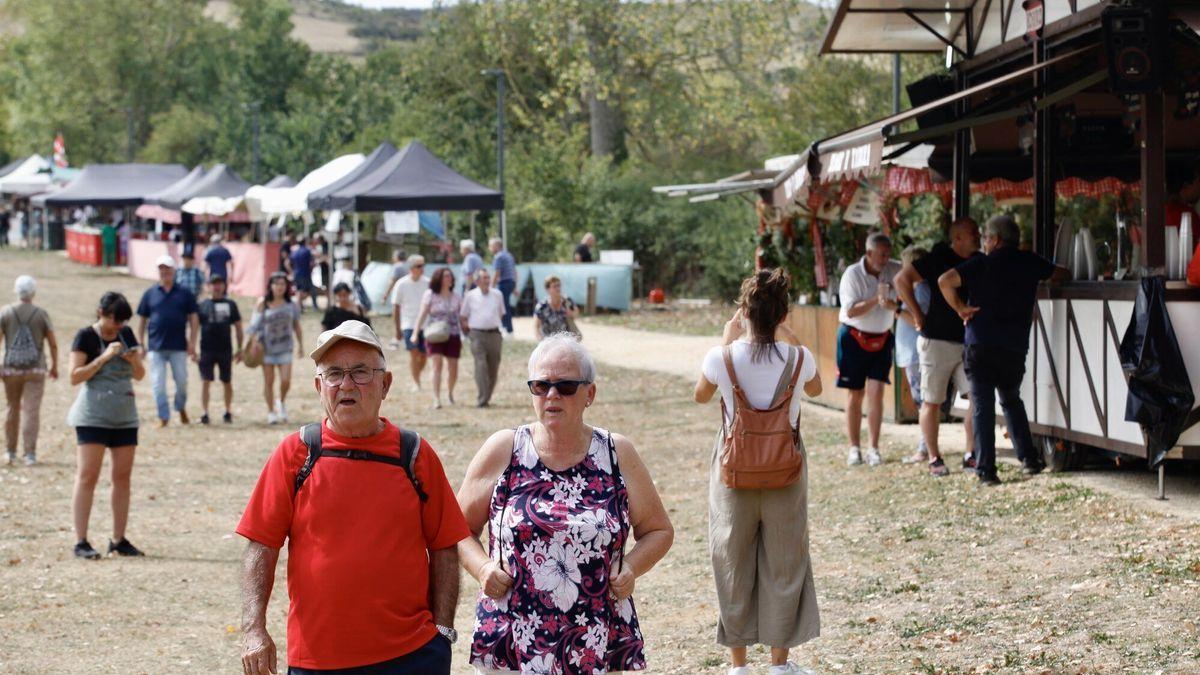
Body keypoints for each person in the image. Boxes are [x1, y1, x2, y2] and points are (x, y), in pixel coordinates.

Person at [237, 320, 469, 674]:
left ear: (385, 384)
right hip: (318, 659)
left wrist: (443, 633)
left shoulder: (415, 454)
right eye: (333, 374)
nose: (346, 384)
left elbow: (444, 546)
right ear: (319, 386)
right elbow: (261, 546)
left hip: (412, 656)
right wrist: (253, 628)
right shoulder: (296, 454)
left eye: (361, 372)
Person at [457, 333, 674, 674]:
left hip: (596, 636)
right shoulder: (504, 449)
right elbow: (457, 529)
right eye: (540, 386)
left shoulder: (617, 453)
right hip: (515, 634)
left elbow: (659, 530)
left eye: (566, 386)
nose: (552, 395)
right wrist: (482, 568)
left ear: (590, 393)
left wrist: (631, 567)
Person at [693, 269, 822, 675]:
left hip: (733, 472)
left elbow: (700, 396)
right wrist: (790, 335)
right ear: (782, 313)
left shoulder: (721, 358)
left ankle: (739, 665)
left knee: (733, 560)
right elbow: (816, 390)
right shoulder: (800, 359)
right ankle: (780, 665)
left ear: (744, 312)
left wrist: (726, 339)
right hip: (786, 470)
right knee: (785, 562)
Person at [938, 214, 1068, 486]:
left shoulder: (981, 263)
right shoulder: (1030, 262)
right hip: (1013, 345)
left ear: (995, 240)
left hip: (980, 343)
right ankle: (1029, 459)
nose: (983, 242)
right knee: (1011, 399)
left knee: (983, 406)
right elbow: (1061, 273)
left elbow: (944, 281)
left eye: (985, 237)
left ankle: (986, 470)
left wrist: (960, 308)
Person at [895, 218, 981, 478]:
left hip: (967, 339)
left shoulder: (978, 259)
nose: (977, 236)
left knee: (976, 397)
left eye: (978, 232)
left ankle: (970, 455)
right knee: (931, 402)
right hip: (936, 341)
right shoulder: (937, 257)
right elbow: (901, 279)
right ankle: (934, 457)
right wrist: (917, 314)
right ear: (957, 238)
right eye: (972, 233)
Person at [68, 292, 146, 560]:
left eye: (123, 320)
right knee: (88, 475)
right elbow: (75, 377)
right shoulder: (85, 337)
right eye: (115, 319)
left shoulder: (126, 335)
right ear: (101, 312)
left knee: (122, 478)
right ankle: (81, 541)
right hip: (92, 416)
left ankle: (118, 538)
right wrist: (102, 358)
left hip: (124, 415)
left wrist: (133, 359)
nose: (118, 325)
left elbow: (140, 374)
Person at [836, 232, 901, 467]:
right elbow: (850, 311)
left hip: (883, 337)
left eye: (888, 254)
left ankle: (874, 448)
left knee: (877, 391)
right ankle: (855, 448)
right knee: (855, 393)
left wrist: (898, 303)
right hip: (853, 337)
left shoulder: (895, 269)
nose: (886, 259)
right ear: (869, 253)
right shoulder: (852, 275)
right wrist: (877, 298)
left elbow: (911, 283)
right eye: (882, 255)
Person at [136, 255, 199, 428]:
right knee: (158, 384)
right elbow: (142, 319)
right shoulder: (150, 293)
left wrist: (192, 341)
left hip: (179, 346)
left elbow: (193, 318)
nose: (165, 272)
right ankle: (163, 415)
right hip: (156, 347)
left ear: (174, 271)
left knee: (181, 382)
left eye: (168, 269)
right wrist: (140, 343)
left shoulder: (184, 293)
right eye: (161, 269)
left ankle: (180, 407)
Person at [2, 275, 58, 465]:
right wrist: (54, 366)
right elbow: (52, 343)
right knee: (31, 411)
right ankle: (30, 454)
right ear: (33, 292)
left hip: (11, 369)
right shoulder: (41, 314)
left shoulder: (6, 312)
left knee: (12, 408)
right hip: (35, 369)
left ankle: (10, 451)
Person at [892, 246, 930, 467]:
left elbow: (918, 321)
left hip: (917, 353)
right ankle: (924, 445)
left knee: (923, 402)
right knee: (920, 401)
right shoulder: (914, 289)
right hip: (910, 353)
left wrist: (895, 310)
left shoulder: (921, 290)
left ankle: (924, 448)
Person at [249, 272, 303, 425]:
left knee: (286, 380)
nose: (279, 287)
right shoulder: (263, 303)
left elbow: (296, 325)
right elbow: (254, 326)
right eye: (276, 284)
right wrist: (253, 343)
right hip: (267, 348)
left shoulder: (291, 304)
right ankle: (271, 411)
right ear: (270, 286)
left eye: (283, 284)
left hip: (286, 347)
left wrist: (301, 345)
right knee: (269, 381)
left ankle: (282, 402)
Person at [195, 275, 243, 425]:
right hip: (206, 349)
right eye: (214, 284)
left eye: (220, 283)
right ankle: (204, 412)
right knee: (205, 381)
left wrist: (240, 348)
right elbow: (195, 326)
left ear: (224, 286)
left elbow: (238, 327)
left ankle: (228, 411)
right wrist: (193, 347)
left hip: (225, 349)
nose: (217, 287)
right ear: (209, 286)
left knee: (227, 381)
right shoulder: (203, 305)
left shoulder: (230, 304)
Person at [414, 268, 462, 409]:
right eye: (445, 276)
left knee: (453, 366)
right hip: (434, 334)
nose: (449, 278)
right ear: (439, 278)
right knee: (436, 365)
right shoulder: (430, 295)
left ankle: (450, 392)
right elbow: (422, 314)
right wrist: (415, 332)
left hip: (453, 334)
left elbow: (461, 317)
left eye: (450, 276)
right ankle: (436, 397)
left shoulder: (457, 296)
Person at [460, 268, 506, 408]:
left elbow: (502, 313)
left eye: (488, 277)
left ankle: (487, 396)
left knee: (493, 368)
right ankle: (482, 398)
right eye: (484, 278)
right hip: (477, 335)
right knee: (480, 366)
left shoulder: (497, 294)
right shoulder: (470, 296)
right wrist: (468, 332)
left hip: (494, 335)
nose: (487, 280)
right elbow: (463, 316)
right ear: (477, 281)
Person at [390, 255, 429, 390]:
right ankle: (416, 382)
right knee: (414, 353)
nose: (422, 268)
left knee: (424, 356)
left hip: (425, 324)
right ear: (412, 268)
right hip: (408, 324)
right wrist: (397, 329)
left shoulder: (427, 283)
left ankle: (416, 373)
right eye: (419, 266)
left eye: (423, 265)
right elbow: (396, 306)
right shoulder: (401, 284)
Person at [532, 274, 579, 340]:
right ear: (547, 289)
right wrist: (540, 339)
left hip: (566, 340)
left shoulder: (567, 301)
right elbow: (536, 326)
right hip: (548, 341)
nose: (558, 288)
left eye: (559, 285)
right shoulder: (542, 306)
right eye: (554, 286)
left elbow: (576, 313)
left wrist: (571, 314)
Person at [488, 237, 517, 336]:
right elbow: (514, 271)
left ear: (496, 246)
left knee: (503, 307)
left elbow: (497, 273)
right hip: (511, 282)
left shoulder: (498, 257)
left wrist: (491, 287)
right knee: (506, 306)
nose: (490, 248)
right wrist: (515, 286)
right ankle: (509, 329)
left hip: (504, 283)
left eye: (491, 246)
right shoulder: (509, 255)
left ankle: (506, 329)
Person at [287, 237, 316, 311]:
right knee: (310, 290)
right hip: (305, 274)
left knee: (299, 290)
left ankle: (299, 307)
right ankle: (313, 306)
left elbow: (287, 263)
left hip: (296, 274)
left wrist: (292, 271)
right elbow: (312, 263)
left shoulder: (294, 251)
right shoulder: (307, 251)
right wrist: (311, 270)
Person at [382, 249, 409, 317]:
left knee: (397, 313)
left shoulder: (397, 266)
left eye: (393, 256)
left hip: (399, 293)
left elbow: (392, 282)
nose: (392, 258)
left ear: (397, 257)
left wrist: (385, 296)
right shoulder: (408, 265)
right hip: (408, 292)